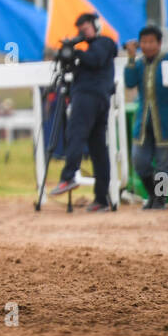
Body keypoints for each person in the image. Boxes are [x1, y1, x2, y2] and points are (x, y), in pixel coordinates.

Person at [48, 12, 119, 211]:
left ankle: (69, 176)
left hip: (88, 98)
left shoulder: (104, 43)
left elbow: (95, 60)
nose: (83, 32)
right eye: (81, 29)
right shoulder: (90, 48)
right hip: (98, 98)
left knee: (76, 134)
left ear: (96, 26)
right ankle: (101, 199)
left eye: (86, 28)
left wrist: (75, 52)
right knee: (98, 149)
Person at [124, 24, 168, 209]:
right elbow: (129, 83)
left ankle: (159, 200)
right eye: (144, 42)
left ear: (159, 43)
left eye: (151, 41)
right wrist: (130, 57)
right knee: (139, 161)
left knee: (164, 165)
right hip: (144, 122)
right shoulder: (138, 64)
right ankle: (154, 194)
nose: (147, 45)